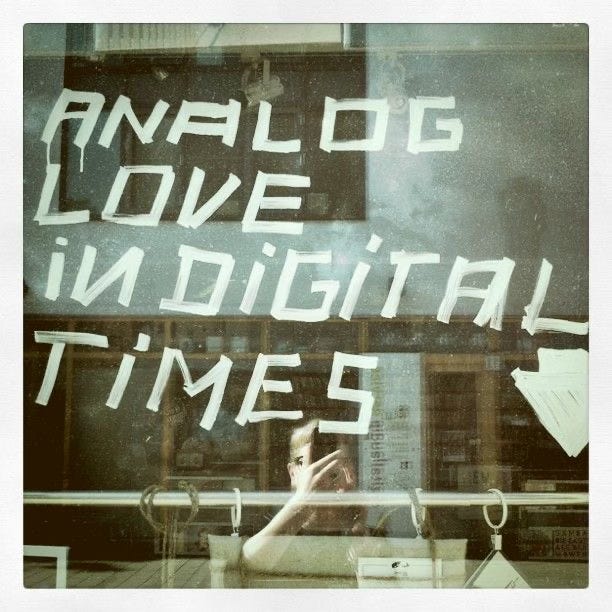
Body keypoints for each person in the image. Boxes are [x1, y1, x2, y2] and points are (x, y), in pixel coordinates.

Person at [241, 419, 367, 569]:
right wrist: (301, 505)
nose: (325, 477)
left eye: (336, 469)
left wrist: (360, 523)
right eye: (316, 465)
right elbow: (250, 562)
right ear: (293, 473)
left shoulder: (356, 528)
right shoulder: (267, 527)